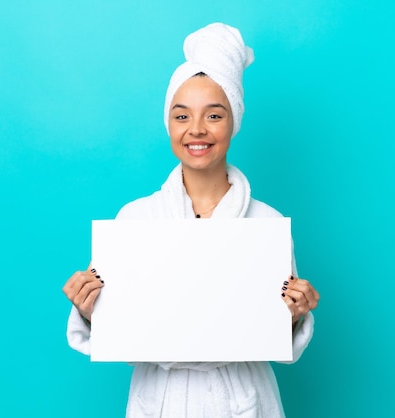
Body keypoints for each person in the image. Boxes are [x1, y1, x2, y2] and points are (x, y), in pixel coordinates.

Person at [62, 22, 320, 418]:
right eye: (182, 116)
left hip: (242, 398)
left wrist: (295, 314)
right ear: (169, 124)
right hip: (160, 399)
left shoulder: (266, 223)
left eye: (214, 115)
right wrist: (88, 309)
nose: (196, 130)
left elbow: (277, 339)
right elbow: (119, 334)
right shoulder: (134, 220)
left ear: (233, 121)